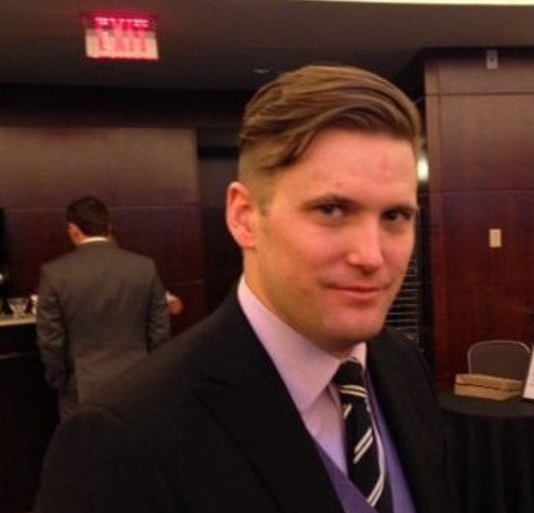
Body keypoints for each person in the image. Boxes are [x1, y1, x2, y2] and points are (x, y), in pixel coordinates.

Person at [34, 65, 453, 513]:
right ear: (244, 216)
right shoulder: (121, 438)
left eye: (395, 216)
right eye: (331, 210)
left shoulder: (403, 364)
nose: (371, 255)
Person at [36, 196, 171, 418]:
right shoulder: (144, 267)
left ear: (73, 229)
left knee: (86, 440)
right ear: (109, 226)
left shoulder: (54, 274)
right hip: (138, 380)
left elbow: (50, 339)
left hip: (82, 385)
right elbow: (159, 330)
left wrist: (60, 380)